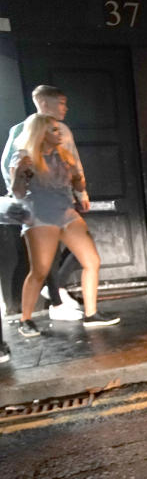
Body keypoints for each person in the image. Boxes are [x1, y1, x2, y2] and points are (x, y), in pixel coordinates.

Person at [8, 114, 120, 335]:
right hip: (40, 216)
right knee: (39, 271)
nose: (59, 134)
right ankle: (25, 319)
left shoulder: (63, 155)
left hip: (66, 213)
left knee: (92, 261)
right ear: (40, 133)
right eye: (53, 130)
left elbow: (77, 184)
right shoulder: (25, 157)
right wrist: (19, 173)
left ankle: (91, 314)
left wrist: (78, 178)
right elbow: (18, 193)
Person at [2, 85, 84, 321]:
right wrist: (23, 195)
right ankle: (55, 302)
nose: (65, 108)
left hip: (62, 200)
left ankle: (56, 292)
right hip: (38, 204)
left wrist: (80, 192)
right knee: (47, 255)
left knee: (75, 249)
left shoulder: (62, 129)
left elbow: (73, 160)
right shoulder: (22, 130)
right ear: (44, 103)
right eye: (61, 102)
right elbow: (10, 166)